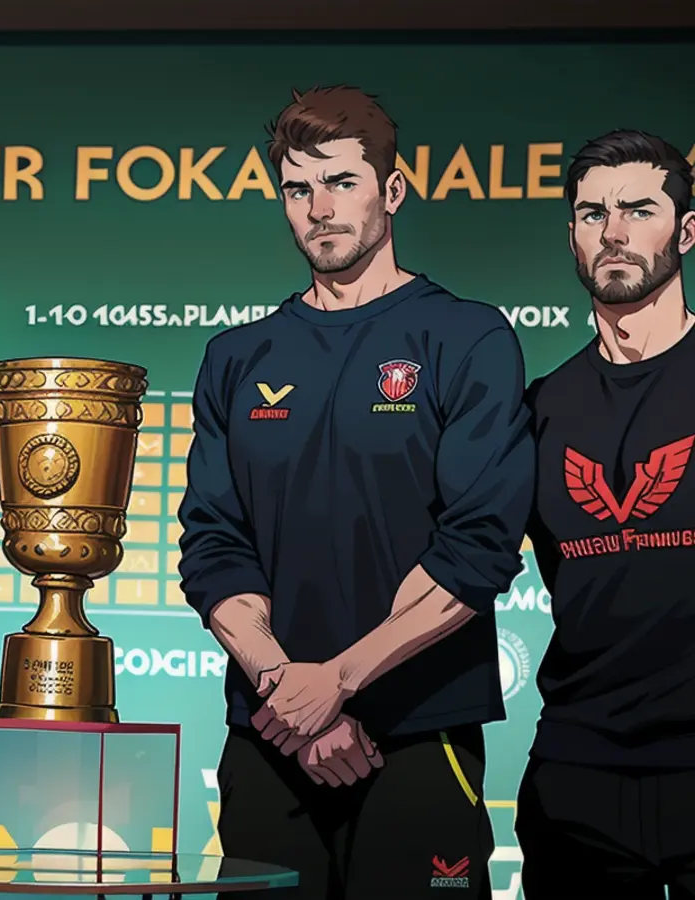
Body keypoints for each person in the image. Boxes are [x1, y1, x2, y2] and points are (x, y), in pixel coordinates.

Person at [177, 86, 535, 899]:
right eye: (298, 189)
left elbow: (475, 548)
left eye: (341, 182)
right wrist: (284, 688)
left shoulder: (466, 336)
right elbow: (213, 547)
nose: (319, 208)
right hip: (270, 739)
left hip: (417, 736)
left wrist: (338, 682)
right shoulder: (237, 356)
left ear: (393, 190)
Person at [516, 131, 695, 899]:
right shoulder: (539, 409)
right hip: (578, 773)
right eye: (592, 213)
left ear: (686, 231)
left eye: (638, 210)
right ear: (573, 237)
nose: (614, 232)